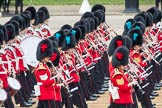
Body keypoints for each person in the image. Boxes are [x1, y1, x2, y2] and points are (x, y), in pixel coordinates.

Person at [34, 39, 56, 108]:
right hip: (46, 94)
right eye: (48, 56)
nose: (49, 58)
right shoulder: (41, 68)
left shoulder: (44, 65)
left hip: (45, 94)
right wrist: (55, 78)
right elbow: (46, 82)